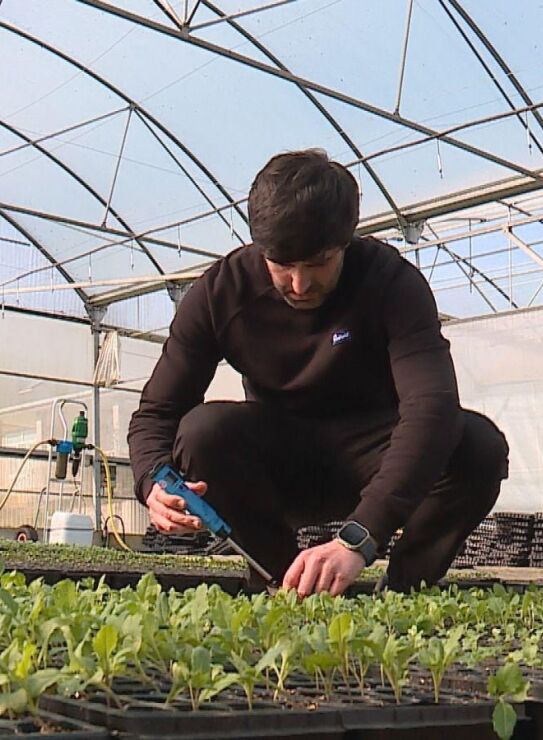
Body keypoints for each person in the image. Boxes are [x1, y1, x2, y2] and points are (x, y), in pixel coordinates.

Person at [128, 149, 509, 596]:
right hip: (283, 461)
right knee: (201, 433)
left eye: (318, 263)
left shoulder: (391, 282)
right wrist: (153, 478)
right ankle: (283, 580)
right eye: (282, 265)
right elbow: (157, 412)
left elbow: (432, 408)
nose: (299, 284)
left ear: (346, 240)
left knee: (477, 446)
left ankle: (407, 586)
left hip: (380, 454)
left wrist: (361, 536)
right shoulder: (220, 292)